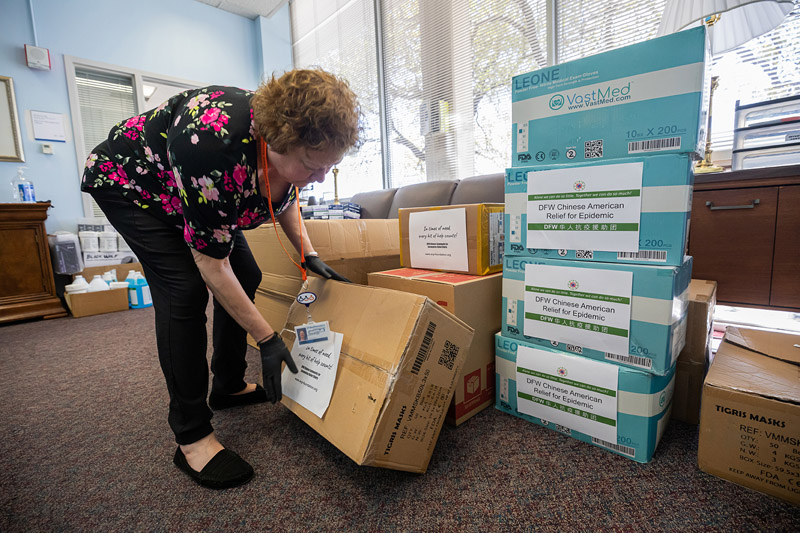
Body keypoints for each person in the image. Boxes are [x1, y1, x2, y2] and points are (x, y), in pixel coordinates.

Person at [81, 69, 360, 489]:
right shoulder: (213, 149)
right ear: (277, 142)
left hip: (187, 188)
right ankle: (191, 434)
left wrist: (310, 253)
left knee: (248, 272)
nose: (321, 177)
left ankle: (227, 384)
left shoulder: (286, 145)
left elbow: (281, 193)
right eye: (313, 165)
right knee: (184, 291)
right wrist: (266, 338)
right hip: (134, 184)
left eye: (330, 167)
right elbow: (211, 266)